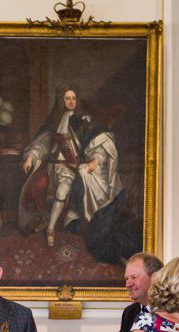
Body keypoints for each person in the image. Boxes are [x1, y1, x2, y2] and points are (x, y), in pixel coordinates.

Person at [19, 87, 133, 262]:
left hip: (70, 169)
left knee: (62, 192)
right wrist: (31, 158)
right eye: (67, 98)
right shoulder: (55, 123)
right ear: (61, 101)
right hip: (52, 167)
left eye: (73, 98)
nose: (71, 101)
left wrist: (95, 161)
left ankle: (50, 229)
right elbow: (42, 145)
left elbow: (96, 143)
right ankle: (39, 220)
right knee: (36, 186)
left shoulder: (82, 123)